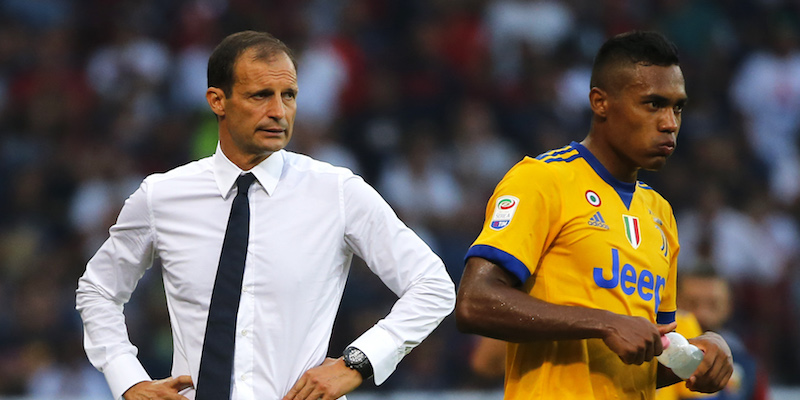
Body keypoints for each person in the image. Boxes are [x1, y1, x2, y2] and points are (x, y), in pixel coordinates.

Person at [75, 30, 456, 400]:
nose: (278, 112)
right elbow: (97, 290)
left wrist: (357, 362)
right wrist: (128, 380)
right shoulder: (162, 196)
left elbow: (433, 286)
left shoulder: (337, 192)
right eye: (260, 96)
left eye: (288, 95)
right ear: (217, 101)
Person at [455, 30, 733, 399]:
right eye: (652, 104)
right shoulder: (543, 180)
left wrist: (701, 353)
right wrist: (604, 323)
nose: (669, 123)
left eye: (677, 107)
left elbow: (647, 360)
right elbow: (474, 301)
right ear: (600, 103)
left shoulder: (660, 214)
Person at [677, 266, 771, 400]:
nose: (702, 314)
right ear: (676, 303)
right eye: (692, 303)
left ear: (728, 306)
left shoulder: (746, 364)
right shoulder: (661, 359)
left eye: (713, 304)